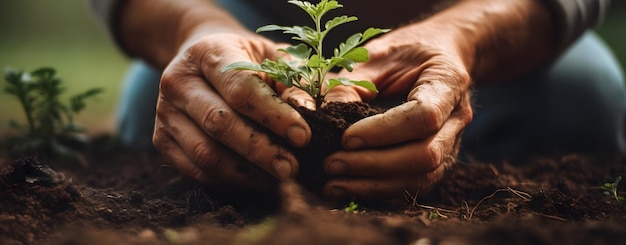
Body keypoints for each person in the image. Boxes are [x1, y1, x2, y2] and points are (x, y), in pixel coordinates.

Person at [90, 0, 624, 200]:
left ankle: (433, 139)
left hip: (478, 16)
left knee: (582, 93)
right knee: (160, 100)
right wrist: (193, 25)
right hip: (240, 16)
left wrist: (464, 37)